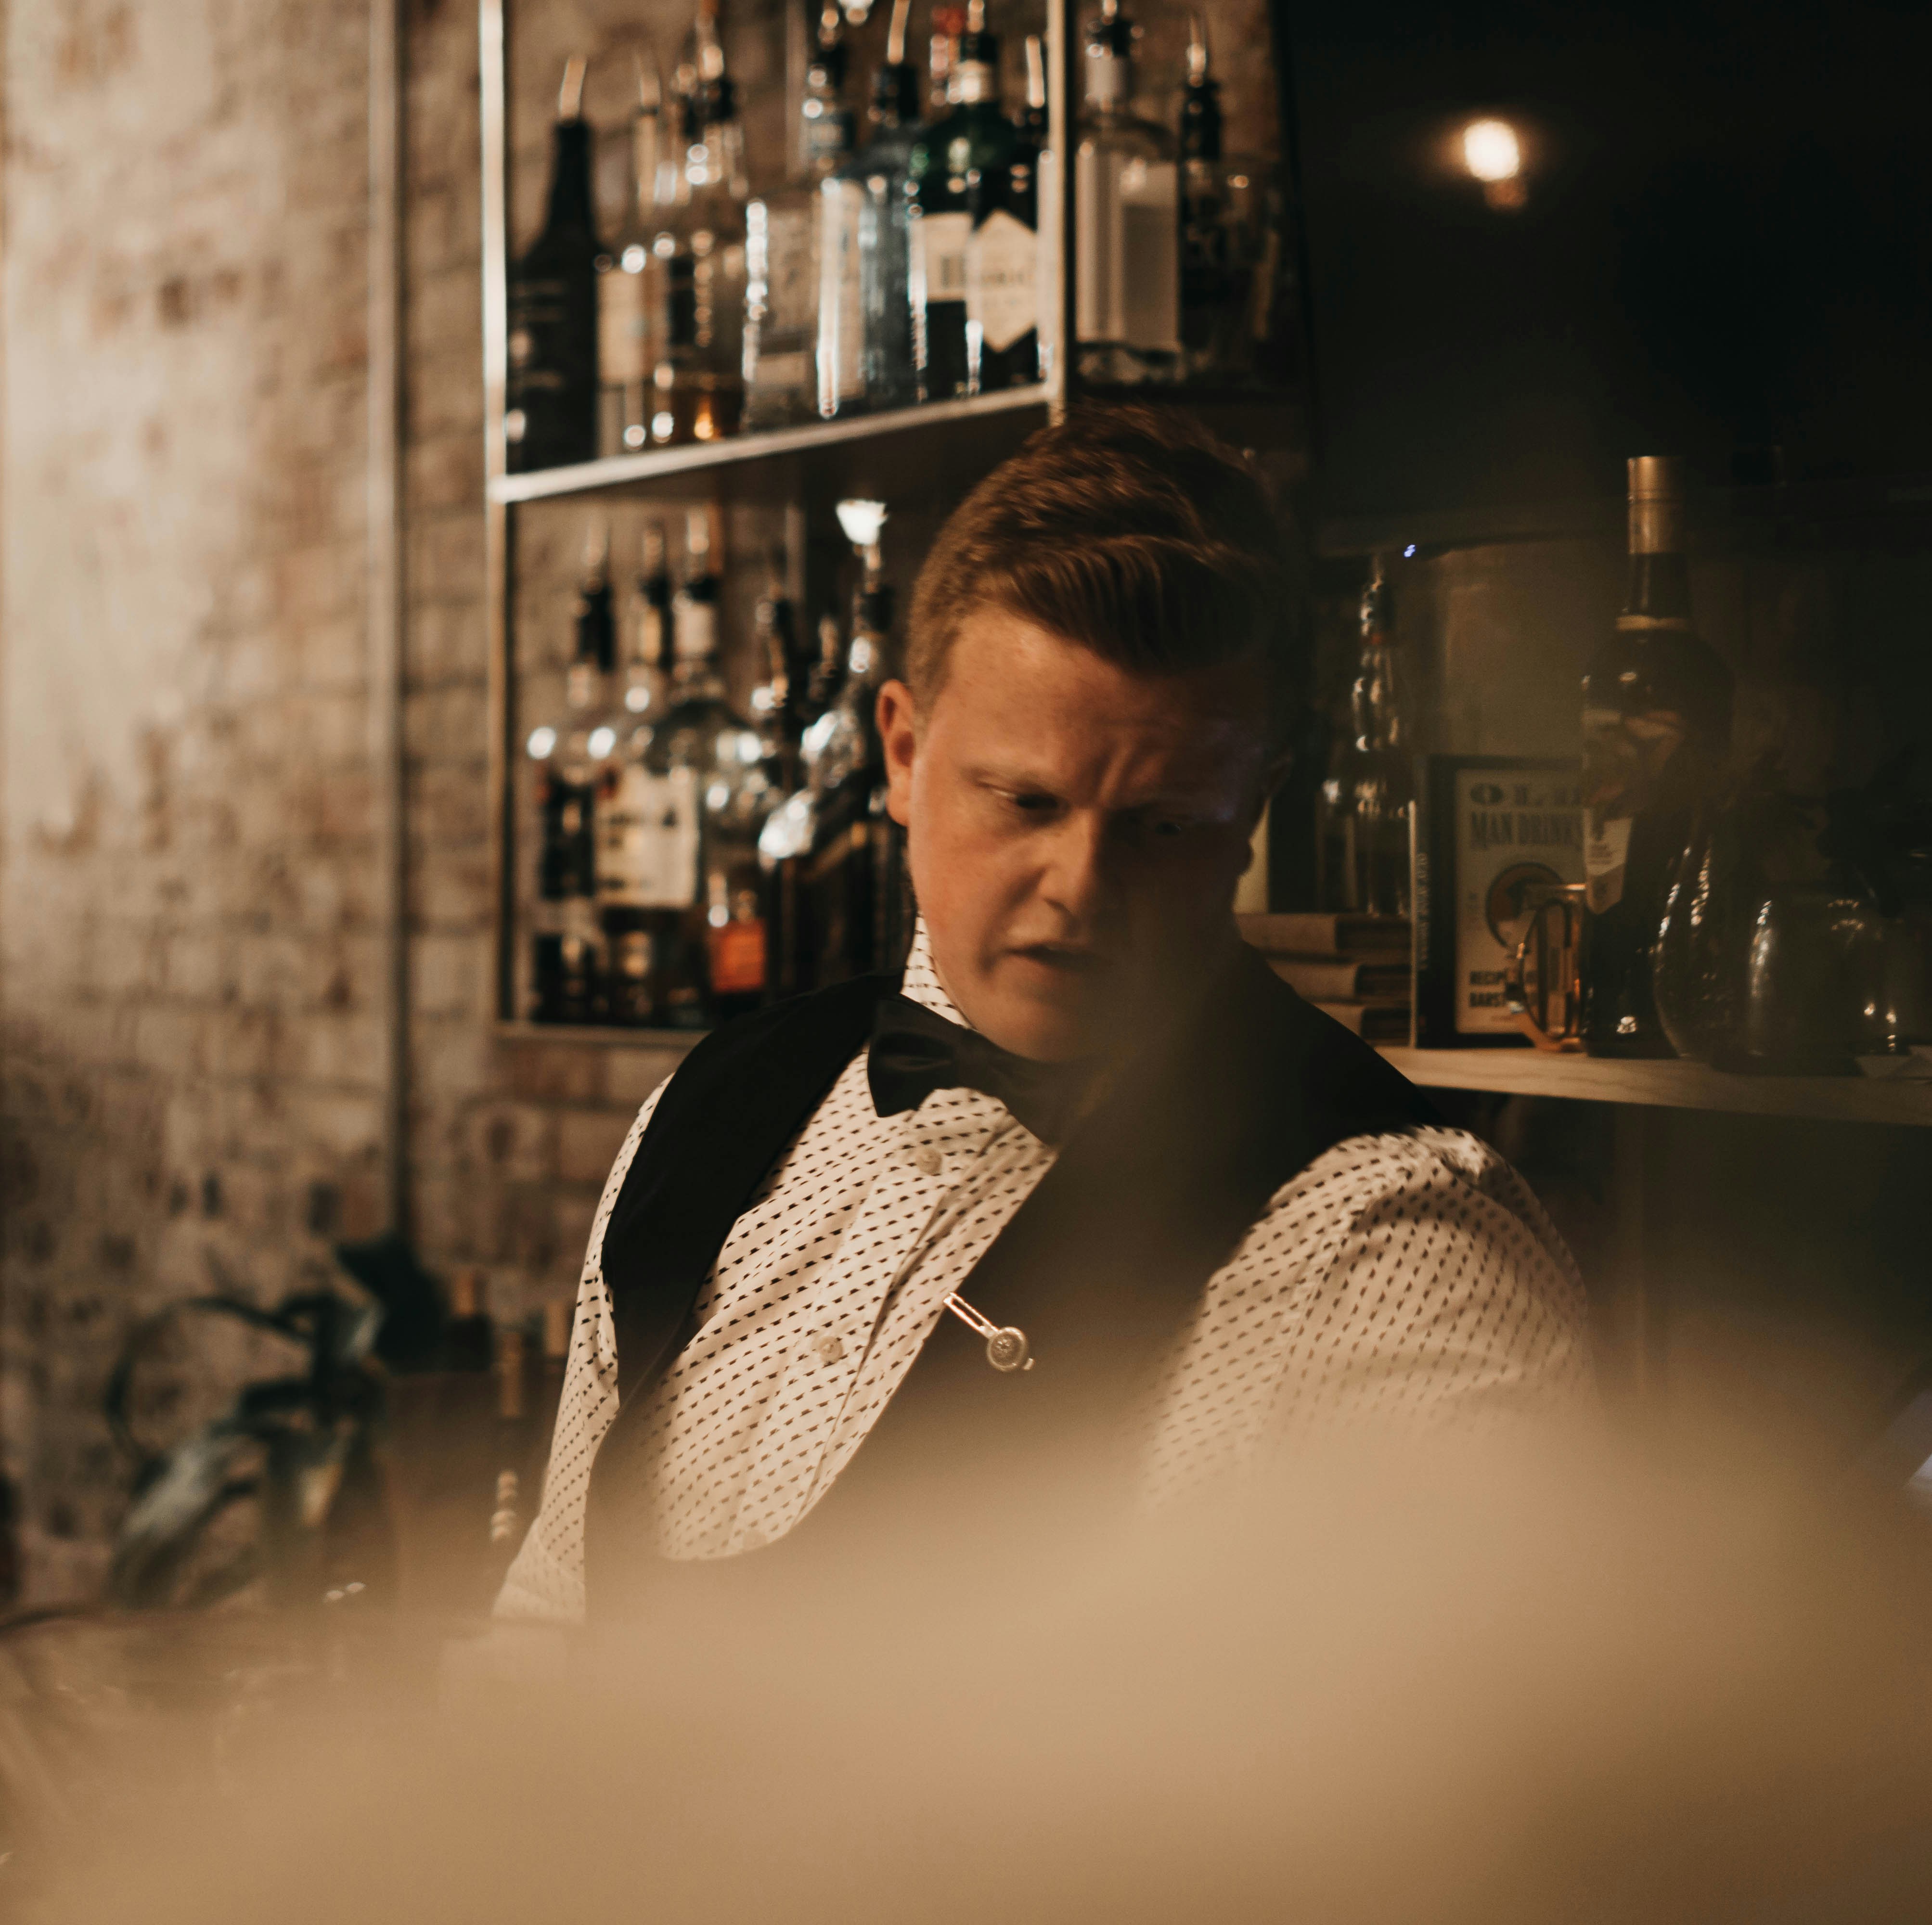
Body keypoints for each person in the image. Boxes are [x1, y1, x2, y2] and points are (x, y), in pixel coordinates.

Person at [497, 407, 1590, 1623]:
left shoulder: (1391, 1247)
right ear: (903, 753)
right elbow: (548, 1622)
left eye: (1164, 825)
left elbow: (1478, 1787)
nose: (1081, 886)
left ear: (1253, 809)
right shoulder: (707, 1108)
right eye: (1025, 801)